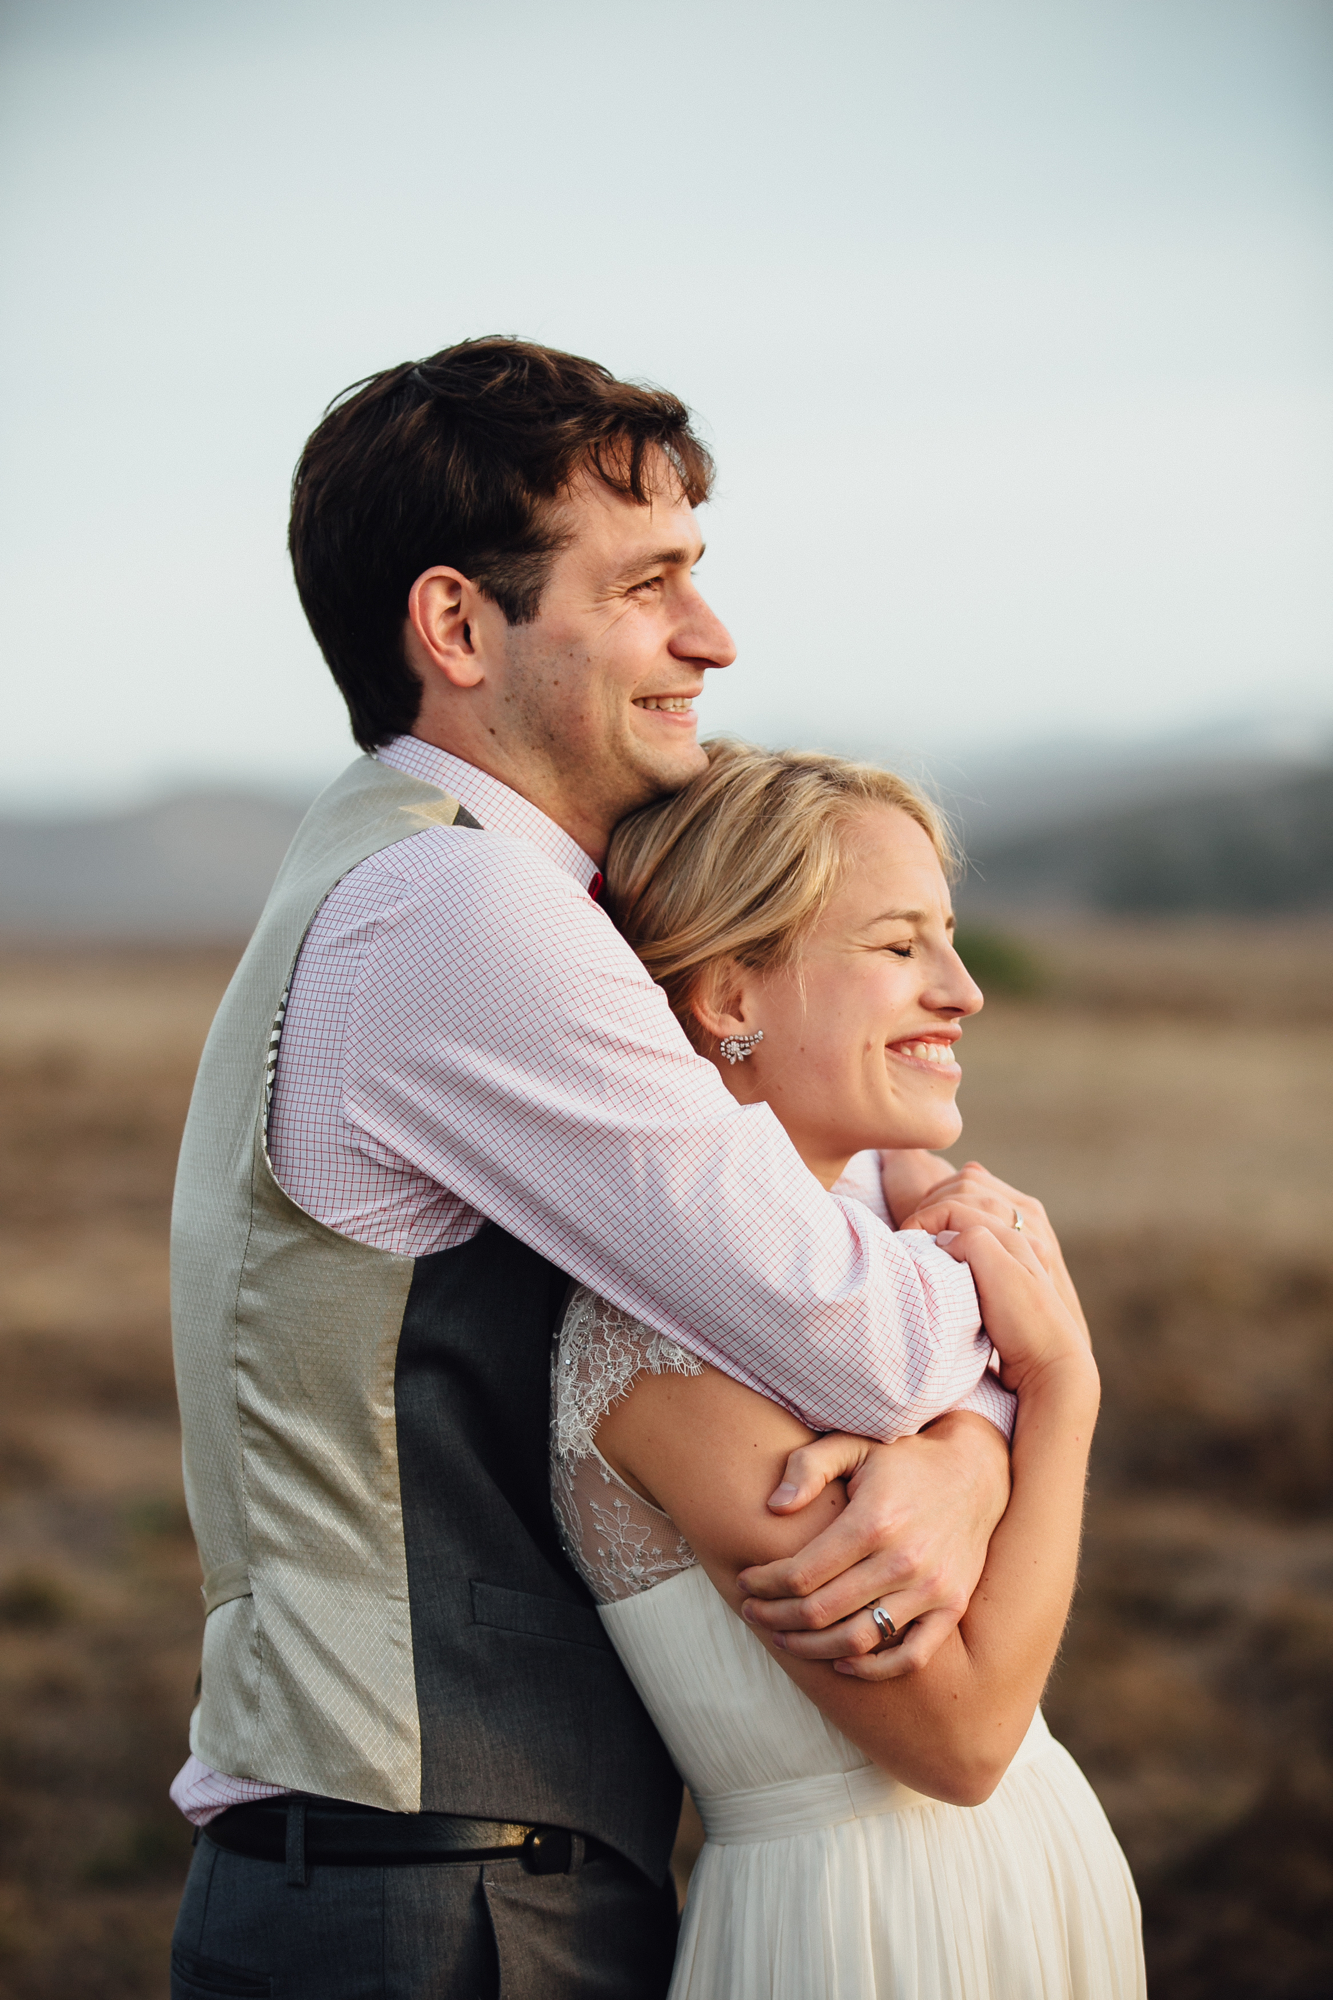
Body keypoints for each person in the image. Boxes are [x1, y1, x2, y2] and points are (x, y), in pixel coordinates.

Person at [168, 338, 1027, 2000]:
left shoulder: (422, 877)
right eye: (647, 588)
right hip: (437, 1904)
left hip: (444, 1875)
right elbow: (857, 1338)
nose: (709, 639)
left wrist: (962, 1445)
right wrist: (996, 1407)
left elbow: (823, 1286)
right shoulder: (461, 916)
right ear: (457, 627)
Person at [552, 739, 1145, 1999]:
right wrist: (1061, 1390)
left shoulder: (895, 1233)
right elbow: (965, 1736)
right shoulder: (662, 1346)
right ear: (729, 994)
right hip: (858, 1933)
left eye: (949, 934)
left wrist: (970, 1447)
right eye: (897, 944)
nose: (964, 988)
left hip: (1033, 1887)